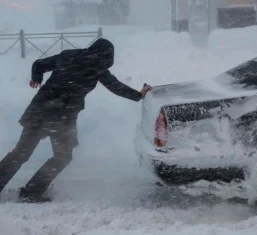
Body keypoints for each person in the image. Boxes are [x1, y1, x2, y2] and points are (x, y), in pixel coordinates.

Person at [0, 38, 153, 203]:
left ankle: (29, 191)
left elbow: (38, 64)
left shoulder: (68, 55)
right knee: (63, 155)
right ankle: (31, 192)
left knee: (21, 153)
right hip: (62, 116)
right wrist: (139, 95)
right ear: (107, 57)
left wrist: (37, 78)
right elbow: (115, 86)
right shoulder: (98, 66)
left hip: (40, 110)